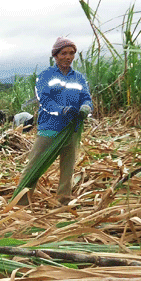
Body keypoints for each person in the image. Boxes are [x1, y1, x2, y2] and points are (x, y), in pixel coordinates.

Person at [17, 37, 92, 204]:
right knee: (35, 166)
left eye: (71, 53)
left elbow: (86, 98)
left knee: (68, 169)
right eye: (63, 53)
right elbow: (44, 100)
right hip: (50, 129)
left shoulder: (79, 78)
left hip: (72, 129)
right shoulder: (46, 76)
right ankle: (20, 203)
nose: (68, 57)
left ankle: (62, 204)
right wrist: (61, 110)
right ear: (55, 56)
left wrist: (86, 108)